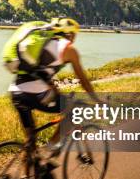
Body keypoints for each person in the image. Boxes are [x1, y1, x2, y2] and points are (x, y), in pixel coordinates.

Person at [8, 17, 100, 159]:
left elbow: (42, 72)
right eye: (75, 35)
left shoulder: (41, 44)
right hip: (35, 94)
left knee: (30, 141)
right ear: (71, 34)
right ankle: (49, 149)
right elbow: (84, 81)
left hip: (16, 92)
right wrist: (97, 100)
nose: (75, 38)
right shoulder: (69, 49)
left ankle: (28, 177)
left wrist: (56, 88)